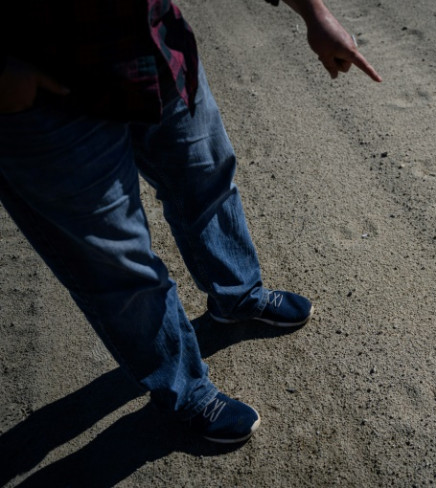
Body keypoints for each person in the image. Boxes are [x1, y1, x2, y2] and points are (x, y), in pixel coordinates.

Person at [0, 0, 381, 444]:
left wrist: (313, 11)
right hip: (44, 97)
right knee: (119, 268)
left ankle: (236, 295)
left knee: (207, 177)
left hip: (157, 51)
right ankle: (184, 389)